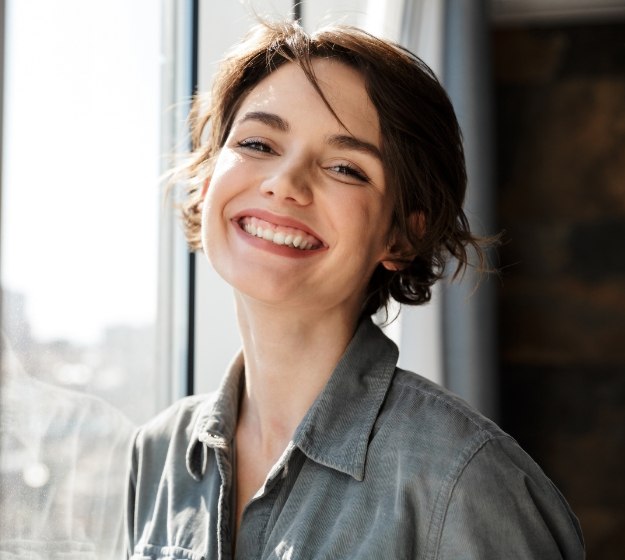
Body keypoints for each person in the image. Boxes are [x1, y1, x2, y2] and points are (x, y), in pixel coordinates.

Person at [125, 20, 585, 559]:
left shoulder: (465, 482)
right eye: (256, 142)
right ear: (207, 186)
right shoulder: (157, 453)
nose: (285, 184)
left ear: (401, 234)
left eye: (346, 168)